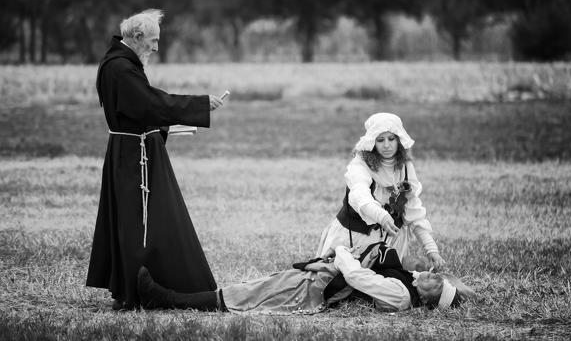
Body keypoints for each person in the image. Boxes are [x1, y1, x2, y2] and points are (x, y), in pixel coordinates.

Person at [86, 9, 224, 310]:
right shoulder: (121, 68)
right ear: (136, 37)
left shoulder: (119, 64)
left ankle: (134, 287)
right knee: (140, 222)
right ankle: (137, 289)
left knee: (135, 220)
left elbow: (138, 109)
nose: (156, 47)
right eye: (153, 40)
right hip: (135, 155)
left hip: (130, 149)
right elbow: (149, 103)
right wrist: (197, 105)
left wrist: (164, 126)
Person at [136, 242, 473, 314]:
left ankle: (162, 298)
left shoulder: (400, 295)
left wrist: (340, 249)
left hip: (313, 292)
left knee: (243, 297)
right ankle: (167, 295)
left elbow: (356, 277)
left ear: (429, 299)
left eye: (437, 283)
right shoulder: (410, 279)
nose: (432, 275)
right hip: (316, 281)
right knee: (248, 289)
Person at [317, 112, 446, 271]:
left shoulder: (405, 167)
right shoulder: (360, 165)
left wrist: (431, 249)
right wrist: (382, 215)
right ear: (372, 142)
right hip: (353, 239)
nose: (386, 145)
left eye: (391, 139)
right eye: (380, 140)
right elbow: (359, 195)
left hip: (387, 246)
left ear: (399, 140)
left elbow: (413, 210)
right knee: (339, 282)